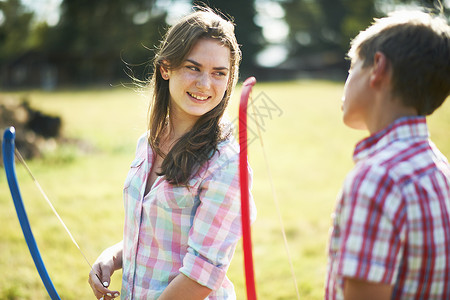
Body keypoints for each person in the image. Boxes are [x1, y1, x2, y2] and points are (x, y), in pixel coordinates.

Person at [88, 7, 256, 300]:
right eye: (193, 67)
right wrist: (114, 256)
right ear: (166, 67)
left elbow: (201, 275)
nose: (205, 84)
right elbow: (156, 236)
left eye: (219, 73)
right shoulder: (148, 142)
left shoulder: (226, 163)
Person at [325, 10, 450, 300]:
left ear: (378, 67)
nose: (348, 78)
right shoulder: (440, 169)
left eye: (352, 67)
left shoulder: (376, 180)